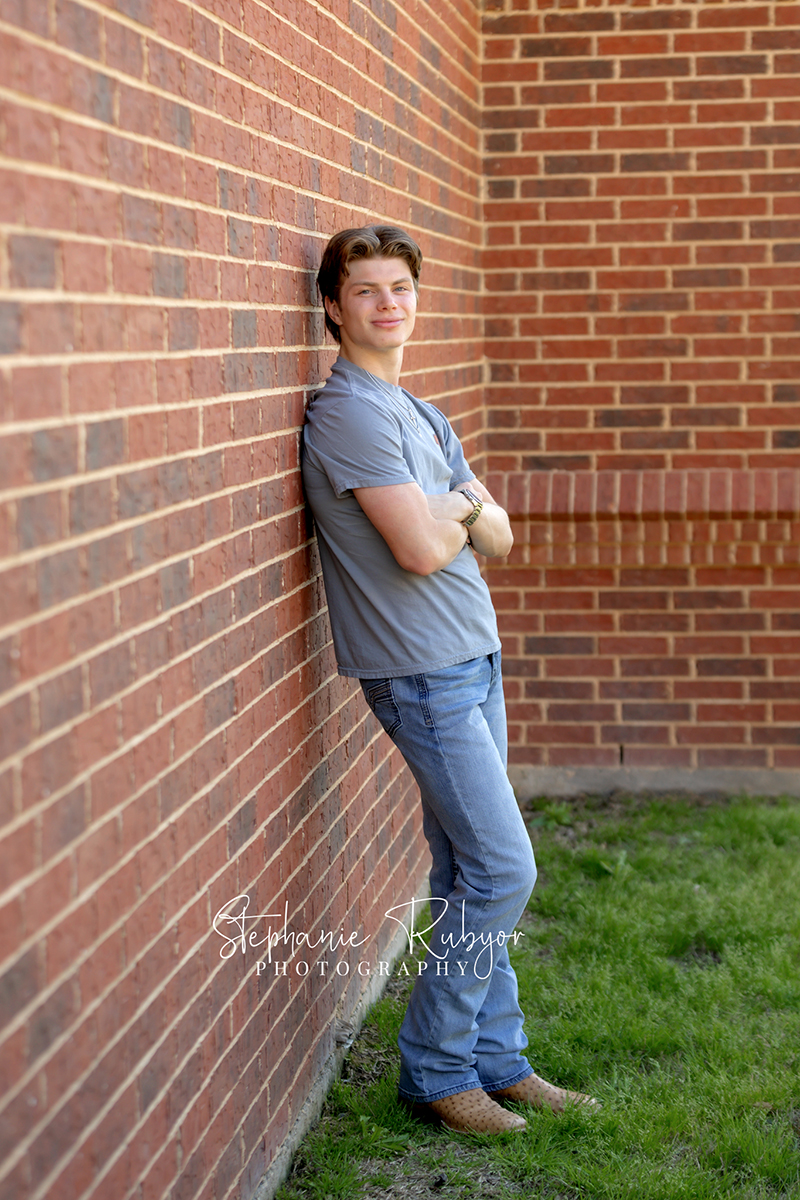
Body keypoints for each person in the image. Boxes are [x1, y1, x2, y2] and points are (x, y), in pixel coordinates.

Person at [302, 225, 597, 1134]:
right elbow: (429, 546)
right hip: (422, 674)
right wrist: (463, 508)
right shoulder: (349, 413)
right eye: (367, 292)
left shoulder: (422, 414)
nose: (389, 304)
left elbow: (500, 540)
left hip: (473, 659)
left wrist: (462, 507)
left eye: (401, 288)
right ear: (333, 309)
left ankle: (498, 1062)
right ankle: (435, 1072)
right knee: (505, 867)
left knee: (468, 868)